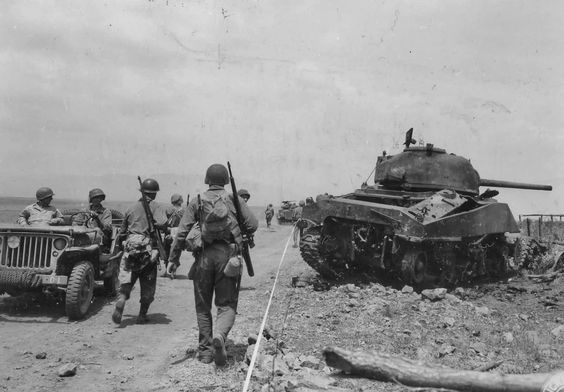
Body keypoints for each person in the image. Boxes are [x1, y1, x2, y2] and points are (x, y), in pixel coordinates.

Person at [167, 164, 258, 366]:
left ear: (207, 180)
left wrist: (173, 260)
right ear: (226, 180)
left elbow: (181, 233)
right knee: (226, 305)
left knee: (202, 306)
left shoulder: (197, 200)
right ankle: (220, 335)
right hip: (229, 258)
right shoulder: (234, 198)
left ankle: (206, 352)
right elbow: (253, 224)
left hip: (203, 257)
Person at [112, 178, 172, 325]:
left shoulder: (131, 208)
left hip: (131, 249)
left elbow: (123, 231)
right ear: (155, 194)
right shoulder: (157, 207)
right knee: (148, 283)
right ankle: (142, 315)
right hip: (148, 250)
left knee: (127, 279)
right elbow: (163, 224)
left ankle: (121, 298)